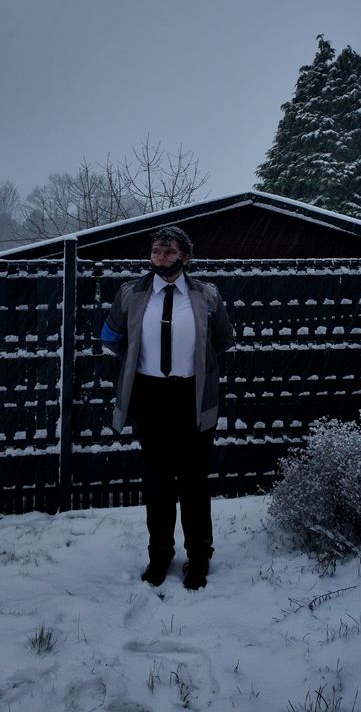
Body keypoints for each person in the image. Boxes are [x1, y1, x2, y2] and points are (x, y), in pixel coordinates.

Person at [101, 225, 234, 589]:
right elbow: (110, 336)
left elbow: (223, 339)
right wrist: (139, 359)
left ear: (185, 257)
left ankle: (199, 557)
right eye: (156, 252)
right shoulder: (130, 293)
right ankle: (159, 554)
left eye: (170, 251)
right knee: (157, 481)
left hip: (193, 397)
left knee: (194, 480)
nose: (161, 258)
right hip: (150, 397)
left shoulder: (207, 295)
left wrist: (191, 365)